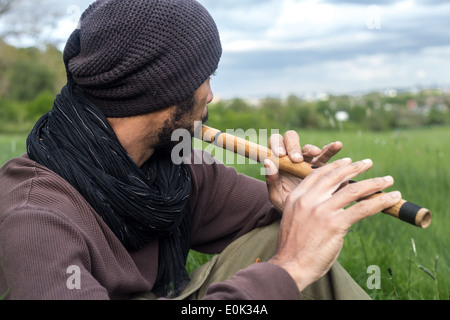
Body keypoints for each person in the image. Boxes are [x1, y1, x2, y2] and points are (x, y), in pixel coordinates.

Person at [0, 0, 401, 300]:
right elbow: (286, 266)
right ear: (161, 89)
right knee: (287, 266)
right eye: (204, 76)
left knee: (283, 236)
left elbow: (275, 228)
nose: (211, 93)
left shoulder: (172, 165)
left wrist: (292, 202)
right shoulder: (35, 217)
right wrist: (289, 269)